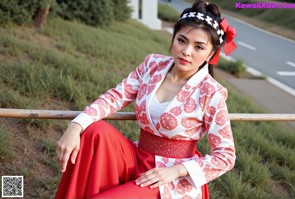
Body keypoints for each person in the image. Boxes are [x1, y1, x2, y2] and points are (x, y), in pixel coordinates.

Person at [55, 0, 237, 198]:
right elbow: (115, 97)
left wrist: (176, 171)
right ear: (174, 38)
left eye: (199, 47)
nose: (187, 51)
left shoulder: (211, 93)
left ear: (211, 53)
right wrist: (75, 126)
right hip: (135, 155)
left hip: (168, 178)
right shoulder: (153, 65)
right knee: (94, 131)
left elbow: (226, 156)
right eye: (182, 40)